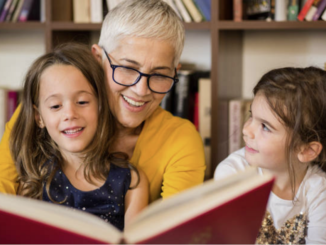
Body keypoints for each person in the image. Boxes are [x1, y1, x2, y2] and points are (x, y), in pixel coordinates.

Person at [0, 0, 205, 203]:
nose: (141, 90)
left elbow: (176, 228)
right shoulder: (50, 113)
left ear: (175, 73)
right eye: (127, 68)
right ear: (98, 58)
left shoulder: (180, 139)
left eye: (159, 75)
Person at [9, 43, 148, 231]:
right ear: (39, 117)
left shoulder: (131, 181)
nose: (70, 114)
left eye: (82, 101)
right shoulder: (33, 180)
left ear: (101, 105)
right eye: (56, 106)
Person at [214, 67, 326, 244]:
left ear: (307, 151)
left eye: (265, 126)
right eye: (251, 116)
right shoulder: (232, 174)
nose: (246, 130)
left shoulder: (319, 190)